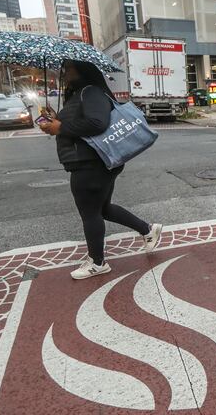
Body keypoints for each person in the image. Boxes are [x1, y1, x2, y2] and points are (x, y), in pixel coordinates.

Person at [39, 59, 162, 279]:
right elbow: (83, 121)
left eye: (68, 70)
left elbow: (98, 123)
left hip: (90, 162)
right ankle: (147, 229)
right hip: (92, 161)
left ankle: (97, 262)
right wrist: (57, 120)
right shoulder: (82, 94)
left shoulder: (91, 91)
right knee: (102, 209)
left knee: (90, 213)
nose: (64, 74)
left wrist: (61, 127)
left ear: (82, 72)